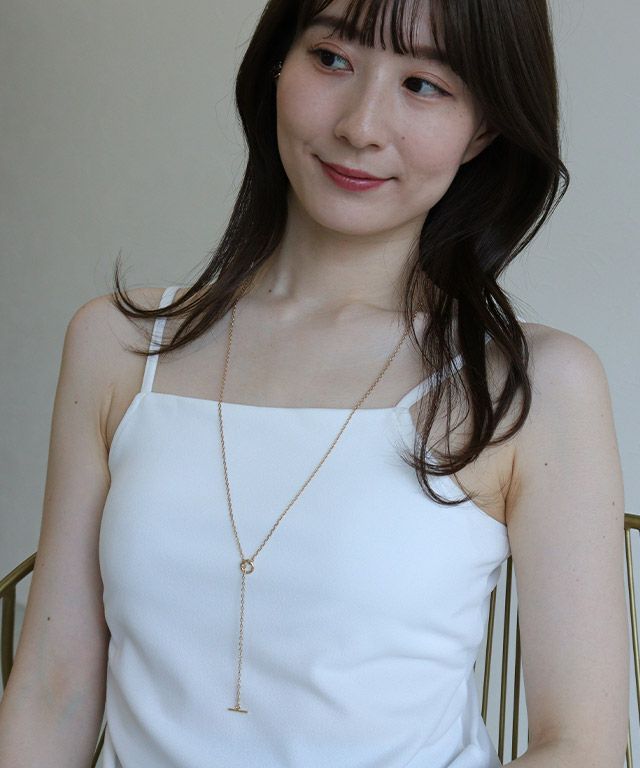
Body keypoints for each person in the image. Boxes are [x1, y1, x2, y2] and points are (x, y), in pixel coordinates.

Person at [0, 0, 629, 766]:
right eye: (332, 58)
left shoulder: (533, 385)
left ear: (485, 129)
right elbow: (52, 690)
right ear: (276, 65)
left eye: (425, 85)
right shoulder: (118, 345)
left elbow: (581, 746)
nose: (361, 126)